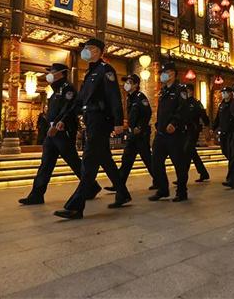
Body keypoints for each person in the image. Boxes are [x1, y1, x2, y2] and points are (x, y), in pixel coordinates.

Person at [54, 39, 130, 219]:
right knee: (105, 159)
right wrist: (64, 119)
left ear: (98, 51)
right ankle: (122, 193)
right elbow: (79, 101)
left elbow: (114, 96)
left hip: (101, 120)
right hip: (90, 119)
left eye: (89, 48)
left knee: (89, 160)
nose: (85, 51)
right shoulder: (90, 73)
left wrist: (118, 121)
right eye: (85, 48)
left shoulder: (106, 70)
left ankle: (76, 206)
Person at [19, 63, 82, 205]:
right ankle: (36, 195)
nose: (50, 74)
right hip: (52, 132)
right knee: (46, 163)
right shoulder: (55, 90)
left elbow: (69, 108)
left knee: (73, 161)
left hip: (62, 131)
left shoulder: (68, 88)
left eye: (52, 72)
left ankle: (90, 186)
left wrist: (59, 123)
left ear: (61, 73)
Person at [104, 74, 155, 192]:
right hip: (132, 134)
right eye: (126, 81)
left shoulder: (140, 97)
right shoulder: (129, 98)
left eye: (130, 82)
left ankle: (160, 181)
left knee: (147, 159)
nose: (126, 84)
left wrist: (139, 127)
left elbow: (147, 113)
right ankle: (119, 184)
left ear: (136, 85)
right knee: (126, 159)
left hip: (141, 134)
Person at [148, 62, 190, 202]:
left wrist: (174, 123)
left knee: (179, 164)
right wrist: (158, 125)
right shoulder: (163, 91)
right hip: (161, 134)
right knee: (156, 162)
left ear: (172, 74)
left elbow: (183, 109)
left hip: (174, 134)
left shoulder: (180, 90)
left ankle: (182, 192)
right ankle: (163, 189)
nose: (162, 75)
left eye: (165, 72)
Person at [183, 83, 211, 183]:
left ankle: (182, 177)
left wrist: (207, 129)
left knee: (187, 151)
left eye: (186, 91)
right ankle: (203, 173)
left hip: (193, 131)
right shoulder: (182, 102)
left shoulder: (196, 103)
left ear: (191, 91)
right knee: (191, 152)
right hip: (184, 131)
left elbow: (204, 117)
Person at [212, 86, 234, 162]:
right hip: (223, 131)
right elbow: (218, 118)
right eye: (222, 93)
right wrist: (213, 128)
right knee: (224, 150)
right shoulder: (221, 105)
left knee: (230, 150)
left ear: (230, 93)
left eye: (225, 92)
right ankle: (232, 163)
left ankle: (232, 166)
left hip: (231, 131)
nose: (223, 94)